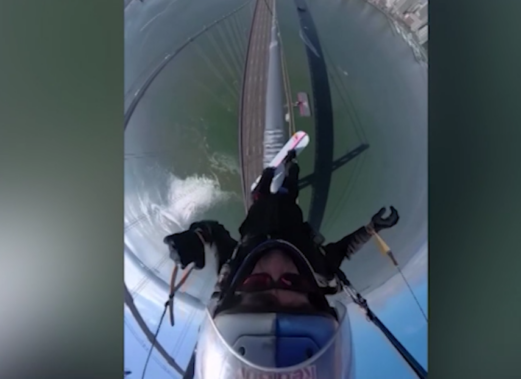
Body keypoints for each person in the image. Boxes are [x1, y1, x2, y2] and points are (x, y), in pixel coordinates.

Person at [163, 151, 399, 378]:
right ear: (314, 295)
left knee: (262, 190)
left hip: (259, 210)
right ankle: (291, 165)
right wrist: (371, 229)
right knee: (290, 186)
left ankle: (269, 175)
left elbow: (212, 231)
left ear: (236, 292)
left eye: (257, 284)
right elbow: (344, 248)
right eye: (294, 282)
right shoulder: (321, 273)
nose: (276, 262)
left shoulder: (231, 273)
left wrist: (196, 237)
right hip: (289, 210)